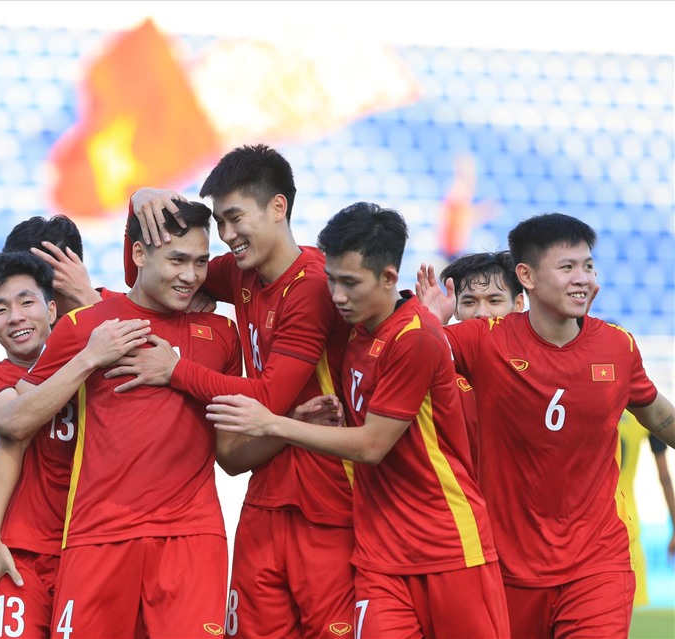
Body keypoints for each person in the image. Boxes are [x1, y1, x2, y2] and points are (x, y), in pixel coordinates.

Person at [208, 202, 508, 638]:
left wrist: (275, 423)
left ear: (389, 278)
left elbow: (372, 445)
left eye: (350, 283)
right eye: (331, 281)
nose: (337, 297)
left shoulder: (414, 337)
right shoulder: (357, 335)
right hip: (378, 553)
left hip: (447, 543)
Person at [123, 145, 355, 638]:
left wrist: (176, 370)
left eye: (234, 219)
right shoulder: (243, 273)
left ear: (277, 207)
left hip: (326, 499)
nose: (226, 237)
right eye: (220, 224)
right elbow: (152, 274)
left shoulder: (313, 286)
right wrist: (140, 201)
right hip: (264, 493)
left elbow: (268, 398)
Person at [0, 200, 240, 637]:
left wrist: (287, 423)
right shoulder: (84, 332)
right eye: (178, 260)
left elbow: (234, 453)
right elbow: (19, 425)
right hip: (89, 538)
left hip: (189, 536)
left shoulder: (218, 333)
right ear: (138, 254)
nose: (191, 275)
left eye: (200, 262)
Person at [417, 212, 675, 638]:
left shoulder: (617, 346)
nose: (583, 278)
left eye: (588, 266)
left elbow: (659, 415)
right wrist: (432, 322)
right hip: (505, 565)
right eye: (567, 267)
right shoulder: (484, 339)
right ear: (527, 277)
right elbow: (400, 355)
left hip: (598, 563)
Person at [0, 250, 149, 638]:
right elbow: (16, 421)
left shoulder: (105, 371)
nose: (15, 317)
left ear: (51, 310)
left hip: (92, 552)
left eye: (26, 302)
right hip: (20, 556)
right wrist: (88, 359)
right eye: (0, 310)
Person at [438, 251, 524, 471]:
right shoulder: (435, 365)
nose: (481, 313)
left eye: (494, 301)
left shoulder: (541, 364)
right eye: (469, 302)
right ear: (455, 308)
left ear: (519, 304)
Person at [617, 409, 675, 607]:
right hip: (627, 524)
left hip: (588, 522)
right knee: (632, 617)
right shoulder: (642, 409)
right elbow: (665, 476)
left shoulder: (592, 403)